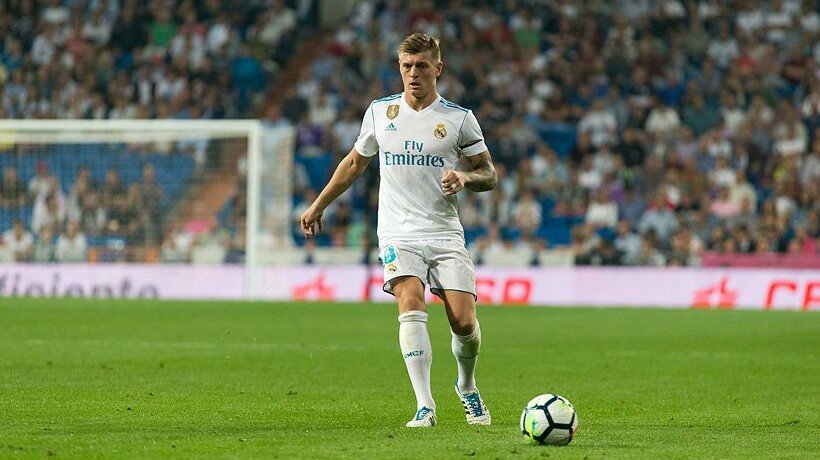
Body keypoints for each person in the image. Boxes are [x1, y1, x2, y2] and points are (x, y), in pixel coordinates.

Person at [300, 33, 497, 428]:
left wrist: (463, 176)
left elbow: (488, 174)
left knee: (463, 322)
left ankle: (466, 385)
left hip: (443, 232)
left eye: (422, 65)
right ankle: (425, 405)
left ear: (437, 69)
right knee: (410, 302)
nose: (413, 73)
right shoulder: (379, 113)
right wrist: (319, 204)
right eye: (406, 66)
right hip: (397, 231)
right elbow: (355, 164)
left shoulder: (458, 118)